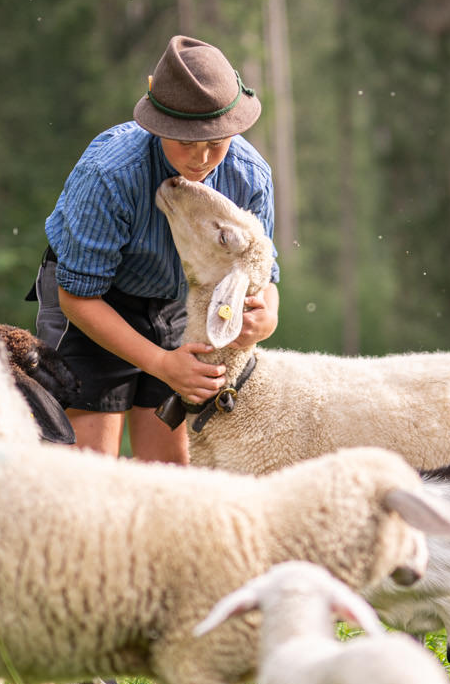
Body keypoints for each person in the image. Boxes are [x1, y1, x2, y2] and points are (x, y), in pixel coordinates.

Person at [33, 35, 280, 463]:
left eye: (217, 141)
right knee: (89, 473)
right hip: (94, 300)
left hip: (177, 300)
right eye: (186, 140)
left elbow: (264, 276)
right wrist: (162, 364)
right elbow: (76, 298)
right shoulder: (109, 174)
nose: (202, 157)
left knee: (171, 475)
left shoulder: (251, 176)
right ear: (159, 122)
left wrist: (268, 316)